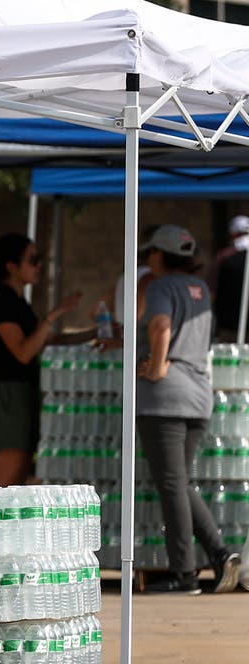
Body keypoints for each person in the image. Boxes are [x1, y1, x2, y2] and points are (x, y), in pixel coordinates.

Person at [135, 225, 241, 594]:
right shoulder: (200, 290)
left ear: (160, 256)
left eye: (150, 253)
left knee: (171, 485)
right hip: (198, 395)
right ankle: (220, 556)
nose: (148, 259)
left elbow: (162, 324)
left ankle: (184, 574)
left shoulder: (161, 287)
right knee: (178, 482)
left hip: (165, 398)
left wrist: (157, 366)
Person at [0, 234, 86, 487]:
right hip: (8, 398)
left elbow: (49, 340)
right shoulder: (2, 302)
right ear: (11, 267)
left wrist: (97, 334)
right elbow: (24, 352)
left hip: (22, 395)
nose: (39, 266)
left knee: (19, 480)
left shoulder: (17, 302)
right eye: (33, 260)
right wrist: (52, 316)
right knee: (6, 484)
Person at [212, 215, 249, 342]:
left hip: (229, 328)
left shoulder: (224, 257)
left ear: (233, 235)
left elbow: (212, 291)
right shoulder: (225, 257)